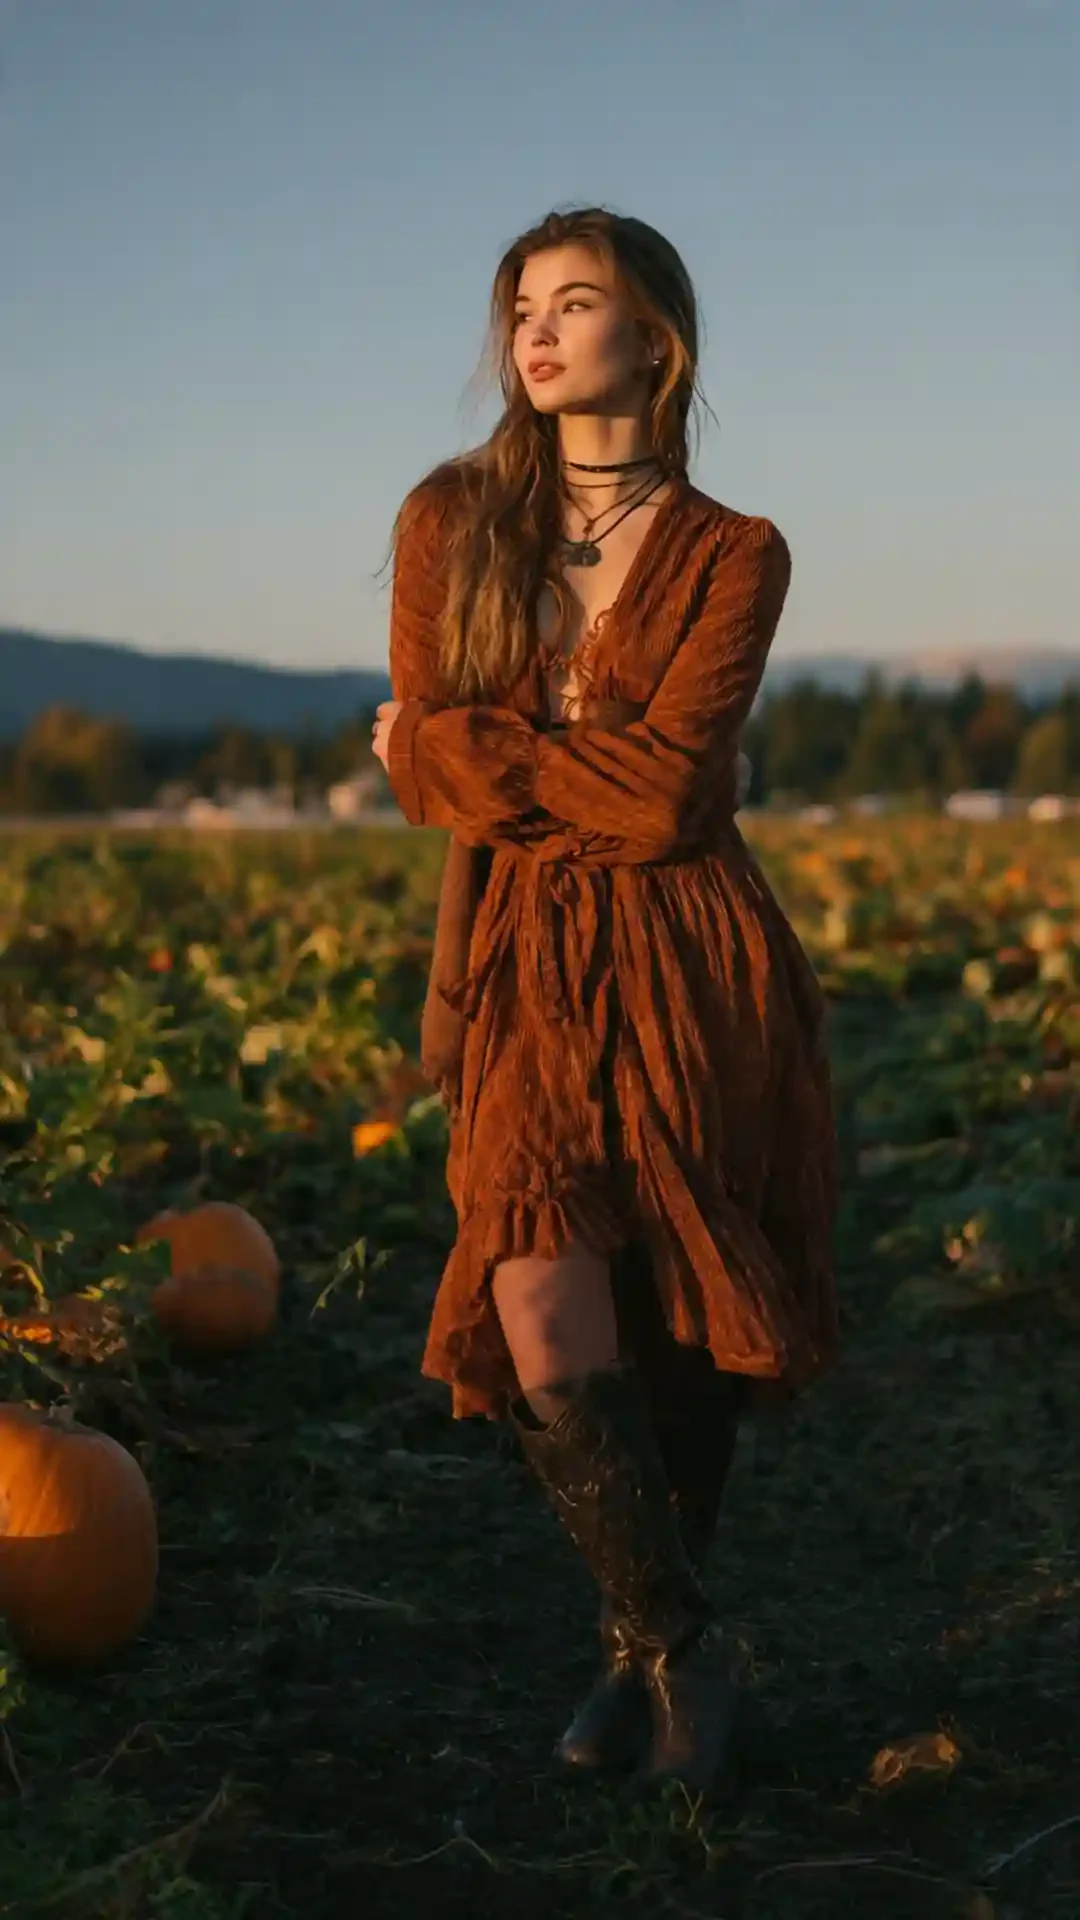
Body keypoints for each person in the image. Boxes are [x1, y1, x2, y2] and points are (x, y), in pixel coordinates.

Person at [371, 205, 838, 1796]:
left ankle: (634, 1662)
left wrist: (460, 752)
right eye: (521, 305)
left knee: (677, 1310)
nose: (537, 329)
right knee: (537, 1290)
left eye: (575, 302)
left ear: (657, 340)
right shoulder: (452, 521)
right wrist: (458, 946)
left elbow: (658, 799)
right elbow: (457, 791)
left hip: (694, 958)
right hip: (521, 958)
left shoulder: (736, 552)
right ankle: (684, 1646)